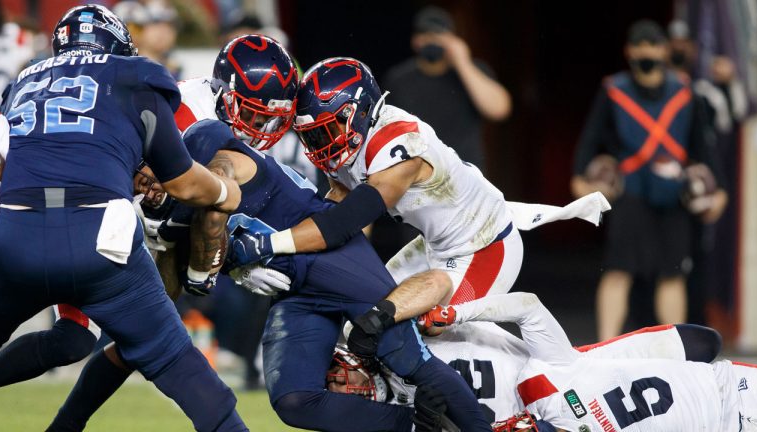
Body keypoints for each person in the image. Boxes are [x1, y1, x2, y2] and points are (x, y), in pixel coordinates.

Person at [42, 34, 491, 432]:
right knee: (293, 399)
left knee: (408, 359)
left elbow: (219, 201)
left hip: (322, 254)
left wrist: (214, 264)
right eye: (257, 118)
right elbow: (184, 210)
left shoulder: (206, 145)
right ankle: (415, 426)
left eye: (143, 177)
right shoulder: (172, 128)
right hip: (283, 267)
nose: (265, 132)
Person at [0, 5, 247, 432]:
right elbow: (183, 182)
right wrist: (226, 191)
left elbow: (8, 164)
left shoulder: (24, 82)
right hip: (97, 239)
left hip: (15, 235)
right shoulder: (135, 74)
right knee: (182, 366)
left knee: (72, 337)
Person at [229, 57, 610, 331]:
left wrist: (271, 244)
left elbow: (345, 221)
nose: (320, 144)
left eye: (327, 130)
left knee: (427, 331)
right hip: (434, 246)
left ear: (359, 112)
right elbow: (342, 222)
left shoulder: (399, 144)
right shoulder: (345, 147)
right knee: (359, 320)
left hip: (484, 247)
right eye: (312, 134)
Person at [326, 293, 722, 427]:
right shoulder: (384, 421)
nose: (346, 386)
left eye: (338, 377)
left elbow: (524, 307)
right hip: (537, 425)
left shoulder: (392, 342)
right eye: (337, 390)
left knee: (703, 345)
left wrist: (454, 313)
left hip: (571, 376)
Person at [570, 20, 728, 341]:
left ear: (664, 49)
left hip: (674, 197)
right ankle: (603, 344)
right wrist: (579, 181)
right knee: (618, 271)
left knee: (672, 276)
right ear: (629, 51)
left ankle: (675, 349)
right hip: (631, 195)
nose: (646, 52)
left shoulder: (684, 92)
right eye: (640, 46)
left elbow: (702, 148)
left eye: (653, 46)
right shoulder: (613, 90)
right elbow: (589, 141)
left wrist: (719, 193)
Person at [487, 292, 757, 431]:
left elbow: (528, 307)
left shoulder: (551, 391)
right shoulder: (553, 391)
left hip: (729, 389)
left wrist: (454, 314)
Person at [383, 5, 511, 172]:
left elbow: (499, 109)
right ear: (415, 40)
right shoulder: (398, 78)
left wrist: (462, 62)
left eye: (438, 35)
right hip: (417, 174)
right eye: (425, 35)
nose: (432, 41)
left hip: (467, 172)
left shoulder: (472, 71)